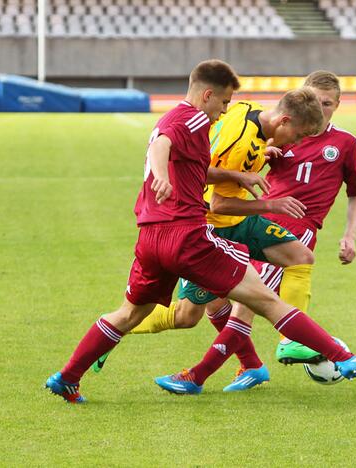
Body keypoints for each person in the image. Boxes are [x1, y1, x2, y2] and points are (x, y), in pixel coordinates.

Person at [45, 59, 356, 403]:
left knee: (130, 314)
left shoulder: (215, 120)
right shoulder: (190, 116)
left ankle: (68, 376)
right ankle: (343, 358)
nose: (225, 110)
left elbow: (190, 162)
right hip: (189, 237)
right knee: (264, 300)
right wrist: (161, 174)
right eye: (223, 102)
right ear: (207, 95)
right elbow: (161, 143)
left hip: (150, 236)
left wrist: (234, 176)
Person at [153, 71, 356, 394]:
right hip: (249, 223)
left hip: (292, 230)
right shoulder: (279, 134)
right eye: (313, 100)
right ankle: (252, 365)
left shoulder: (345, 143)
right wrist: (263, 156)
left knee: (249, 303)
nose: (320, 107)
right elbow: (240, 171)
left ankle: (202, 374)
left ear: (337, 104)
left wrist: (350, 235)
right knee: (210, 305)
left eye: (326, 103)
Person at [92, 89, 329, 390]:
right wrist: (269, 202)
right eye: (299, 135)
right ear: (284, 120)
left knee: (299, 256)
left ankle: (284, 345)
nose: (297, 143)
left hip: (239, 221)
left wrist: (260, 155)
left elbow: (229, 152)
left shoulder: (248, 110)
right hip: (209, 224)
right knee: (188, 314)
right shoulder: (238, 138)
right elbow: (216, 198)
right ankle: (114, 328)